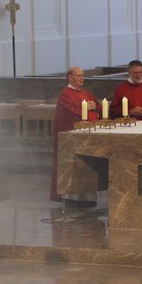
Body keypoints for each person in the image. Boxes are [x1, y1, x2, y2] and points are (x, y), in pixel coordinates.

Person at [50, 66, 98, 201]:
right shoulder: (65, 94)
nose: (82, 78)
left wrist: (94, 108)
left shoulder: (86, 93)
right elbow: (71, 113)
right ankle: (69, 196)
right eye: (78, 75)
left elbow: (97, 107)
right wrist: (86, 108)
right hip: (70, 136)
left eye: (82, 75)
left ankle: (86, 196)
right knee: (71, 165)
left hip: (87, 134)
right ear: (70, 77)